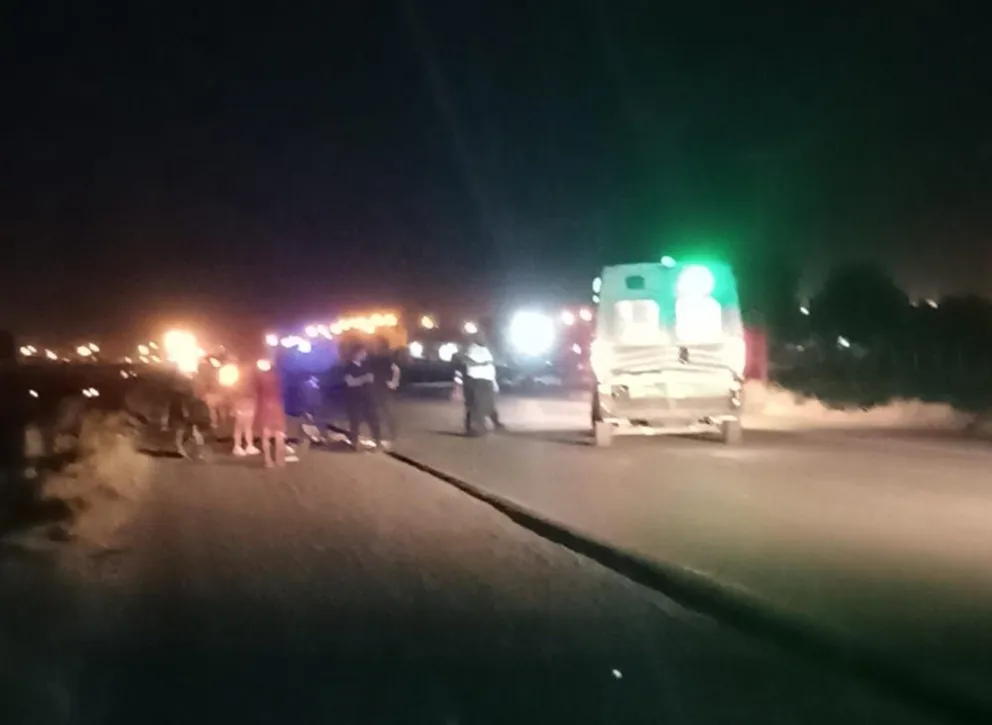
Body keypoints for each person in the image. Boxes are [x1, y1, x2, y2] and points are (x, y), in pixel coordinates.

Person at [462, 331, 504, 436]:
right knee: (476, 405)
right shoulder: (470, 348)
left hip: (487, 379)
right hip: (476, 379)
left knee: (488, 403)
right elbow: (464, 360)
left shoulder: (486, 349)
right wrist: (480, 364)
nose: (483, 338)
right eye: (480, 337)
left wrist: (494, 382)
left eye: (483, 336)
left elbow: (491, 366)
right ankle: (474, 428)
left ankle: (489, 424)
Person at [343, 343, 381, 451]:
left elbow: (371, 378)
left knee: (373, 419)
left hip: (367, 398)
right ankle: (354, 442)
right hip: (354, 399)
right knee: (355, 421)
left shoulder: (366, 365)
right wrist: (364, 379)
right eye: (362, 353)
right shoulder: (349, 367)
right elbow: (350, 382)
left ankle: (377, 441)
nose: (365, 354)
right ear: (356, 354)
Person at [255, 358, 292, 467]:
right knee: (279, 435)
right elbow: (284, 390)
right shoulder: (278, 376)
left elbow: (257, 392)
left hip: (264, 407)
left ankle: (268, 460)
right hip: (277, 406)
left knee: (266, 436)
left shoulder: (259, 377)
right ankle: (280, 460)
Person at [369, 337, 400, 450]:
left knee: (386, 412)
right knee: (378, 413)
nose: (375, 346)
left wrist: (392, 383)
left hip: (383, 389)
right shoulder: (375, 358)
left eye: (377, 344)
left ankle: (391, 434)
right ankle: (379, 436)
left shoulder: (386, 359)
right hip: (376, 389)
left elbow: (395, 371)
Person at [230, 363, 260, 457]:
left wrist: (233, 409)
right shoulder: (252, 385)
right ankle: (249, 445)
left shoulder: (236, 384)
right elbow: (255, 397)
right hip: (250, 408)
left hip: (239, 408)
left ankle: (237, 446)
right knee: (248, 428)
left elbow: (233, 396)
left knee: (238, 428)